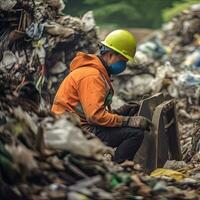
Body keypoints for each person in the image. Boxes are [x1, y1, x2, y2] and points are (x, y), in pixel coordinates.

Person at [51, 29, 152, 163]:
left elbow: (90, 111)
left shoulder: (95, 72)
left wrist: (119, 112)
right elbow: (95, 116)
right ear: (110, 55)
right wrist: (127, 121)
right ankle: (119, 169)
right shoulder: (92, 76)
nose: (124, 65)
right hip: (75, 131)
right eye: (123, 60)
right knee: (135, 134)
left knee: (125, 130)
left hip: (73, 125)